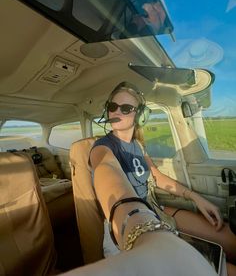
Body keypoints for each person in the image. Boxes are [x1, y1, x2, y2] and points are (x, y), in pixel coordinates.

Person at [87, 81, 236, 275]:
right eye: (112, 107)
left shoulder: (138, 146)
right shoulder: (102, 147)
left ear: (140, 116)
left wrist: (196, 198)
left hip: (155, 208)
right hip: (127, 223)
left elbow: (156, 176)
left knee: (229, 240)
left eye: (126, 108)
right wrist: (138, 225)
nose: (117, 112)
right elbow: (106, 170)